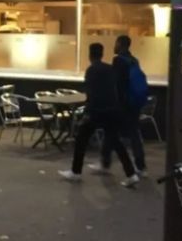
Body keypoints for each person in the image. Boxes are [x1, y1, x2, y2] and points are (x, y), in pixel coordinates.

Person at [59, 43, 139, 187]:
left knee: (81, 139)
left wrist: (87, 112)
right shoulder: (109, 69)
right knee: (116, 142)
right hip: (112, 110)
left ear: (90, 55)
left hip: (97, 111)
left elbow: (92, 94)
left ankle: (76, 172)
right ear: (102, 54)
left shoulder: (91, 70)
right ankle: (131, 174)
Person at [89, 35, 148, 177]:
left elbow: (115, 84)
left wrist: (113, 102)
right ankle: (141, 167)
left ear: (120, 44)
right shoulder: (134, 60)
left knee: (110, 132)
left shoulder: (118, 60)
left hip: (121, 105)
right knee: (133, 134)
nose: (114, 46)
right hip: (134, 104)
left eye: (116, 43)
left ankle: (105, 164)